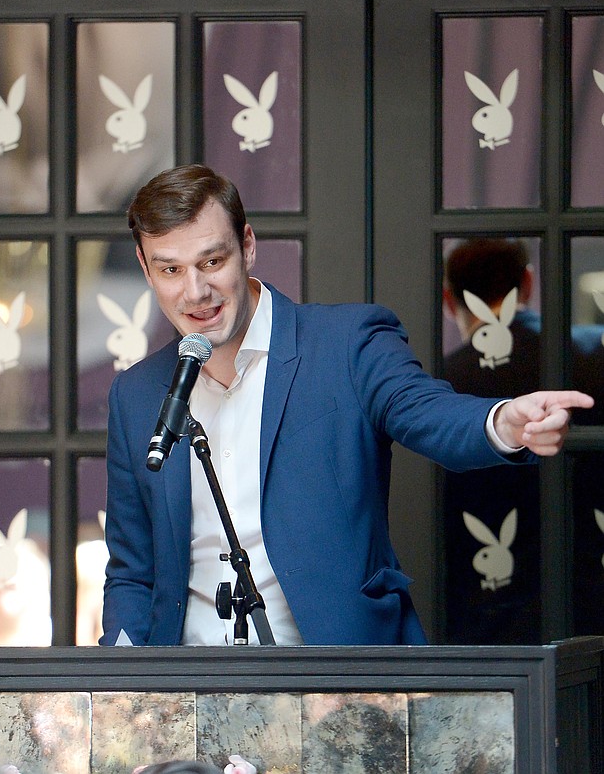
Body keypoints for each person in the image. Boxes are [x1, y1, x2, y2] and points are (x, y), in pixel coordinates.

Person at [100, 165, 593, 647]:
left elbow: (428, 412)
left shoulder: (348, 343)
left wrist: (502, 422)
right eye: (170, 269)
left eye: (211, 262)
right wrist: (122, 680)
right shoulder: (135, 395)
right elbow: (132, 572)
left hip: (339, 678)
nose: (195, 292)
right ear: (145, 268)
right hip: (186, 687)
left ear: (247, 246)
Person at [441, 237, 543, 643]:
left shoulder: (440, 385)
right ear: (528, 283)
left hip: (473, 608)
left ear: (448, 300)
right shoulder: (586, 358)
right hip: (582, 594)